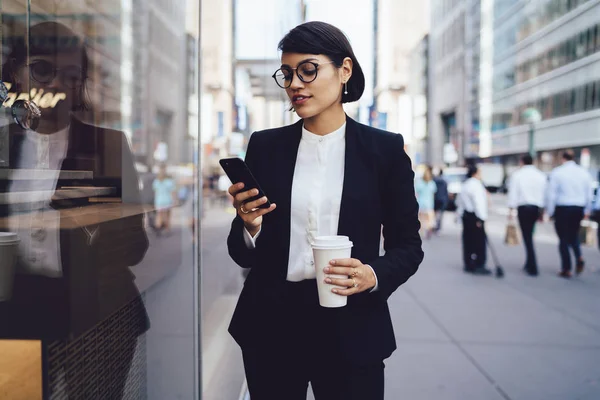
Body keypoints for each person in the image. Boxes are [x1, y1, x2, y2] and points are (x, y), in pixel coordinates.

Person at [226, 21, 423, 400]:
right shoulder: (266, 147)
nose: (296, 84)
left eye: (309, 70)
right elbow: (241, 251)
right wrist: (249, 225)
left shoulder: (384, 151)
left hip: (352, 324)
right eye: (287, 74)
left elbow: (408, 247)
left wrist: (372, 274)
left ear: (344, 70)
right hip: (272, 325)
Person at [0, 21, 149, 399]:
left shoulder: (108, 146)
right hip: (16, 306)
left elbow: (136, 246)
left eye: (70, 75)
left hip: (95, 310)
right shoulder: (3, 145)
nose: (56, 85)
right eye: (42, 70)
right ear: (14, 72)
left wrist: (87, 220)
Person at [546, 151, 594, 278]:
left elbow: (552, 194)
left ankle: (566, 268)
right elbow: (589, 194)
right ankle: (579, 256)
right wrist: (587, 210)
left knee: (563, 238)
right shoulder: (584, 173)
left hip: (563, 208)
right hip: (578, 208)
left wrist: (550, 212)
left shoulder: (558, 172)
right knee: (573, 235)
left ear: (563, 158)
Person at [507, 155, 547, 276]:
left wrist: (511, 209)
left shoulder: (518, 175)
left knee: (527, 236)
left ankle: (532, 264)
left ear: (522, 162)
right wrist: (543, 210)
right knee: (529, 234)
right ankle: (529, 262)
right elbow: (544, 193)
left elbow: (513, 193)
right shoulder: (540, 175)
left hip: (524, 208)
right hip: (536, 208)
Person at [456, 165, 490, 275]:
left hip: (466, 216)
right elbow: (478, 202)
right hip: (475, 216)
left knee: (468, 240)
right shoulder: (476, 185)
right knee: (479, 241)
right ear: (475, 173)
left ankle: (468, 263)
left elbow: (459, 202)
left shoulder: (465, 185)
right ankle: (479, 264)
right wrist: (482, 218)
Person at [152, 164, 177, 235]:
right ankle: (167, 230)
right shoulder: (169, 181)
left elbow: (155, 192)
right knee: (167, 216)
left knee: (159, 215)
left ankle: (158, 229)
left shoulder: (156, 181)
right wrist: (175, 200)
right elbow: (173, 192)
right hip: (167, 200)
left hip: (159, 200)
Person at [415, 167, 437, 239]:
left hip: (420, 204)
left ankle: (422, 233)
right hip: (429, 204)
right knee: (430, 220)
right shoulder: (431, 183)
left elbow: (416, 193)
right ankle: (428, 230)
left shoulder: (419, 183)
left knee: (421, 220)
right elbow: (433, 194)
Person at [433, 168, 449, 233]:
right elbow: (446, 191)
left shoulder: (434, 180)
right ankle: (438, 227)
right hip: (443, 199)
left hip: (436, 199)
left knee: (435, 213)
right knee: (440, 214)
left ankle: (434, 226)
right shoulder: (445, 181)